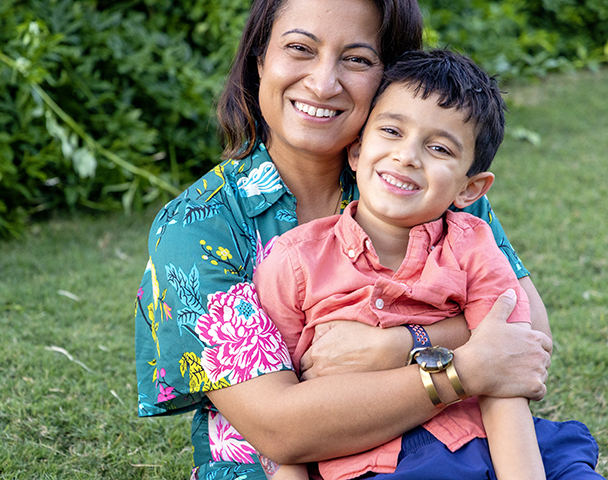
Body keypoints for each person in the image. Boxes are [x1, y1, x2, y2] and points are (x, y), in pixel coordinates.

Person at [134, 1, 556, 479]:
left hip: (458, 449)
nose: (322, 82)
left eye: (356, 59)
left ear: (387, 75)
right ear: (259, 59)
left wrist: (397, 346)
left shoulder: (418, 179)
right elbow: (281, 429)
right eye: (299, 49)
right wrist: (464, 368)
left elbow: (527, 331)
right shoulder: (197, 227)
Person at [253, 49, 602, 480]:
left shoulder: (473, 245)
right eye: (392, 131)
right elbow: (287, 420)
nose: (407, 156)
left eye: (438, 147)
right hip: (380, 463)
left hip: (499, 443)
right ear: (357, 151)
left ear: (471, 188)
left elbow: (506, 365)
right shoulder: (294, 263)